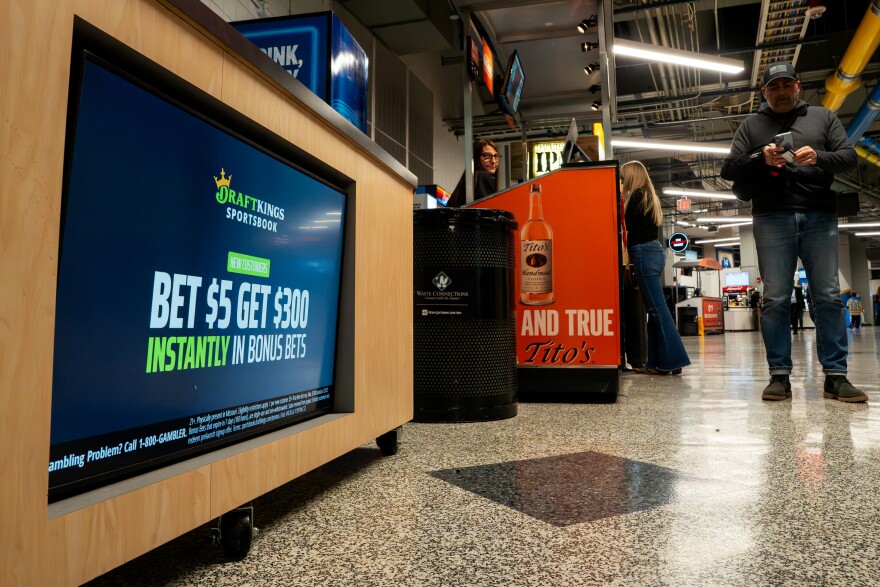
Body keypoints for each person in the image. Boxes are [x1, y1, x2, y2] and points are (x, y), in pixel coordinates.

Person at [720, 61, 867, 402]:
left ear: (798, 86)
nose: (781, 92)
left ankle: (836, 376)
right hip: (771, 217)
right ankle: (779, 376)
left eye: (787, 85)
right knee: (774, 299)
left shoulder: (823, 118)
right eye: (774, 87)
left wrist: (818, 157)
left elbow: (848, 157)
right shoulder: (751, 125)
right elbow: (728, 168)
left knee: (828, 295)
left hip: (819, 215)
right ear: (764, 93)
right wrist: (761, 158)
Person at [620, 160, 690, 375]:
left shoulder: (637, 196)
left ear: (631, 176)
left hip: (643, 254)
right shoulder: (649, 196)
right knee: (654, 310)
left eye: (623, 176)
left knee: (658, 311)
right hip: (654, 252)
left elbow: (627, 226)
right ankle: (656, 362)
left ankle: (674, 361)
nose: (622, 180)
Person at [447, 138, 500, 207]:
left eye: (495, 156)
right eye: (487, 155)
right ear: (476, 157)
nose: (493, 161)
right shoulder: (483, 176)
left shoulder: (467, 181)